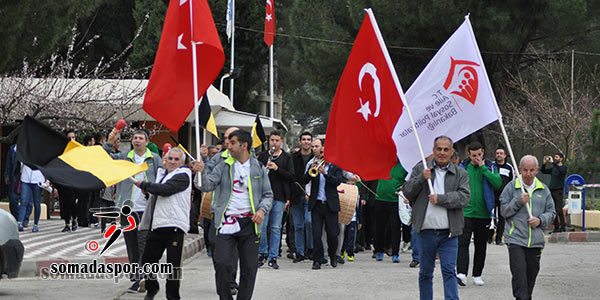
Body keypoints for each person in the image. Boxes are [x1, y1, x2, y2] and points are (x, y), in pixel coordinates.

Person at [194, 129, 273, 300]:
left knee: (249, 268)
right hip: (226, 222)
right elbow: (207, 186)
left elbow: (268, 194)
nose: (228, 146)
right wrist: (200, 172)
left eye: (233, 143)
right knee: (222, 263)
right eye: (228, 143)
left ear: (244, 145)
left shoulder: (258, 167)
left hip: (250, 224)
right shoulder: (224, 165)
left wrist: (261, 210)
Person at [403, 136, 470, 300]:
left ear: (452, 152)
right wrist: (421, 179)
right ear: (433, 151)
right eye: (439, 149)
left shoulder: (460, 172)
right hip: (426, 232)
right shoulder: (421, 169)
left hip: (449, 233)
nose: (442, 153)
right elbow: (407, 191)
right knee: (425, 272)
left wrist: (441, 199)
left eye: (446, 149)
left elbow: (464, 197)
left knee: (449, 271)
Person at [104, 129, 162, 292]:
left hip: (146, 209)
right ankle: (137, 278)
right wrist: (109, 142)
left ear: (147, 141)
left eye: (141, 138)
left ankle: (144, 278)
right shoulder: (124, 158)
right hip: (127, 209)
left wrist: (151, 190)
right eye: (135, 138)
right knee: (132, 245)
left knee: (144, 244)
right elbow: (105, 159)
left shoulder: (155, 159)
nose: (137, 140)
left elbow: (162, 179)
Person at [135, 147, 192, 300]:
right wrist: (149, 191)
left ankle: (173, 297)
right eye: (170, 158)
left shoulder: (184, 175)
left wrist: (145, 185)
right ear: (165, 160)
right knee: (147, 260)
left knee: (173, 268)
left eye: (176, 159)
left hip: (175, 226)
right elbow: (158, 194)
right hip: (158, 224)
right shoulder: (162, 175)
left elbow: (166, 190)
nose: (172, 162)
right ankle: (152, 288)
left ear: (182, 162)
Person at [500, 155, 555, 300]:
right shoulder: (511, 188)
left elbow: (551, 212)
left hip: (536, 242)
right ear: (519, 170)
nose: (528, 174)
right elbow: (504, 211)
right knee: (519, 279)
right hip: (516, 240)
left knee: (530, 280)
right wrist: (518, 201)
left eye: (531, 170)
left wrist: (540, 220)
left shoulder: (544, 190)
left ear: (537, 170)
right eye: (525, 170)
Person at [457, 141, 502, 286]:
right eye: (474, 155)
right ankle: (461, 273)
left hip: (483, 213)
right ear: (469, 155)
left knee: (480, 245)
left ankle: (477, 274)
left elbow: (497, 183)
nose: (477, 157)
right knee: (462, 243)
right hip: (466, 212)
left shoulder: (490, 166)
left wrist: (483, 168)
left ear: (483, 152)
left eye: (479, 154)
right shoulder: (463, 167)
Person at [299, 138, 343, 270]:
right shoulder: (313, 163)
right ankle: (316, 260)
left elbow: (337, 181)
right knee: (316, 234)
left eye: (318, 147)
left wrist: (326, 173)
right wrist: (310, 172)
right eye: (314, 147)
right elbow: (304, 180)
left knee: (332, 234)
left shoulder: (335, 165)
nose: (315, 150)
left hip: (330, 204)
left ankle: (332, 255)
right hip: (317, 204)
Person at [257, 130, 294, 269]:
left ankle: (273, 257)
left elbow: (291, 176)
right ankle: (262, 253)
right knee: (263, 226)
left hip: (279, 196)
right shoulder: (263, 156)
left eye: (277, 140)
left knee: (276, 228)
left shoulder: (286, 157)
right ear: (268, 141)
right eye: (272, 140)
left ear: (281, 142)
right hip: (263, 197)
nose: (274, 143)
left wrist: (277, 168)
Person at [373, 162, 407, 263]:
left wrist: (403, 187)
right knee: (379, 227)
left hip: (395, 201)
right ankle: (379, 250)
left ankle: (395, 253)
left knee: (395, 227)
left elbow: (408, 181)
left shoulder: (404, 166)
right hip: (380, 198)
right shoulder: (382, 162)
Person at [290, 131, 314, 262]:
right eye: (304, 139)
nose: (306, 141)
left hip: (310, 195)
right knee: (298, 225)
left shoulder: (315, 158)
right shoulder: (293, 157)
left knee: (309, 222)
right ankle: (299, 252)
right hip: (296, 194)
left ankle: (310, 249)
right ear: (300, 141)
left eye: (308, 139)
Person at [489, 145, 515, 245]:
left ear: (505, 155)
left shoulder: (509, 167)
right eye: (497, 153)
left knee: (502, 217)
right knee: (489, 216)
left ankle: (499, 239)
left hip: (504, 196)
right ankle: (489, 237)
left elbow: (512, 182)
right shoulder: (491, 166)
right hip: (491, 195)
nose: (499, 155)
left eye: (501, 153)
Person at [540, 152, 568, 232]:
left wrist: (553, 163)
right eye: (554, 157)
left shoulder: (563, 167)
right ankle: (556, 227)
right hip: (552, 190)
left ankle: (563, 227)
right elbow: (543, 171)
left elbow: (562, 171)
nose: (555, 158)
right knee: (553, 209)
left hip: (558, 191)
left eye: (557, 157)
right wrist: (544, 163)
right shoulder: (553, 168)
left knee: (559, 209)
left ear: (561, 159)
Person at [17, 164, 46, 232]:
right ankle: (20, 223)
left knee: (37, 203)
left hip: (38, 179)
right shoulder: (25, 153)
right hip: (25, 178)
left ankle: (35, 224)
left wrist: (47, 179)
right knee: (24, 200)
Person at [4, 143, 21, 219]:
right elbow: (9, 164)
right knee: (13, 199)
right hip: (15, 176)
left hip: (27, 177)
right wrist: (7, 175)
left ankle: (24, 219)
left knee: (27, 200)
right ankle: (17, 217)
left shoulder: (30, 148)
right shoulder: (13, 148)